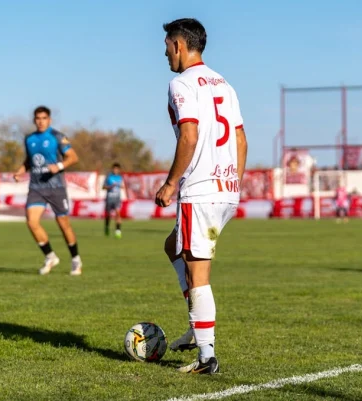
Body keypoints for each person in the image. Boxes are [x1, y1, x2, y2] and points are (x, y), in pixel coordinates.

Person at [156, 18, 248, 374]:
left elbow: (189, 135)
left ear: (179, 45)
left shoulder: (181, 83)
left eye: (167, 46)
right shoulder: (224, 83)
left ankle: (206, 356)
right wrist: (232, 183)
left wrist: (170, 183)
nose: (165, 54)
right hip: (226, 189)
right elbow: (240, 139)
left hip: (201, 190)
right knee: (173, 246)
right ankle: (198, 329)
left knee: (198, 273)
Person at [13, 106, 83, 276]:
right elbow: (30, 160)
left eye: (44, 118)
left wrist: (59, 166)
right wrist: (21, 170)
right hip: (36, 187)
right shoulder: (29, 139)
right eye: (38, 118)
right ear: (34, 120)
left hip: (56, 187)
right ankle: (50, 257)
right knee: (32, 222)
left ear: (49, 120)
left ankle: (76, 259)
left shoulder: (57, 137)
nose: (41, 121)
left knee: (63, 224)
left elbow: (73, 157)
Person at [103, 163, 125, 238]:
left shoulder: (120, 177)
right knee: (108, 215)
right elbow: (103, 187)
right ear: (112, 169)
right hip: (109, 198)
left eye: (117, 169)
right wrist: (110, 187)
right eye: (114, 169)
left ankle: (118, 231)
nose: (115, 170)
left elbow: (122, 186)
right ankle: (107, 226)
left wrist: (121, 186)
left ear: (119, 170)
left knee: (118, 214)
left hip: (117, 199)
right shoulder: (108, 177)